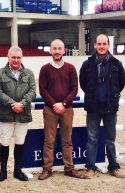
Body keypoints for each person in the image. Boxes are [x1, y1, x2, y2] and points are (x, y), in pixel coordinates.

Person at [79, 34, 125, 179]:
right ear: (94, 45)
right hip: (93, 108)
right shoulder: (87, 64)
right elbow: (83, 83)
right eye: (99, 44)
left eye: (104, 44)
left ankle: (113, 167)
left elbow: (121, 83)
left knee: (110, 139)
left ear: (108, 45)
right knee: (92, 139)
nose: (101, 46)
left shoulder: (116, 64)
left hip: (110, 108)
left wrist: (112, 95)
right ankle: (90, 168)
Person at [38, 39, 84, 180]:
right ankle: (47, 169)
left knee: (67, 140)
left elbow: (74, 88)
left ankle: (69, 168)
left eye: (59, 48)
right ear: (50, 50)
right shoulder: (44, 69)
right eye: (54, 48)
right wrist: (54, 104)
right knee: (49, 140)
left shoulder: (70, 68)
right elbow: (42, 90)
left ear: (64, 50)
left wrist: (63, 104)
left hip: (67, 109)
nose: (57, 51)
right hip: (50, 110)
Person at [0, 46, 36, 182]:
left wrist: (22, 104)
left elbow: (33, 91)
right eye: (13, 57)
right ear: (8, 58)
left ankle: (18, 170)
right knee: (4, 141)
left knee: (20, 141)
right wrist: (13, 104)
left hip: (23, 114)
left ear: (21, 58)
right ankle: (3, 172)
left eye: (18, 57)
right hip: (7, 113)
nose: (16, 60)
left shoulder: (29, 73)